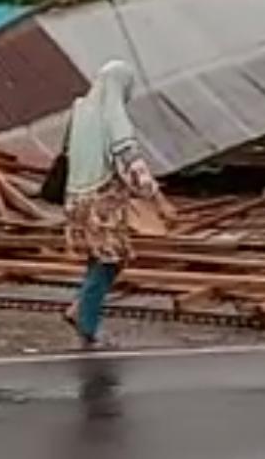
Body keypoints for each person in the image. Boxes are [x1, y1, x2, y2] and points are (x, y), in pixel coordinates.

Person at [62, 61, 158, 347]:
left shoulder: (80, 108)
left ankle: (79, 308)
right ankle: (86, 323)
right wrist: (146, 184)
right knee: (110, 260)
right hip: (102, 201)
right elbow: (125, 148)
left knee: (99, 258)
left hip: (75, 196)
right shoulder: (112, 109)